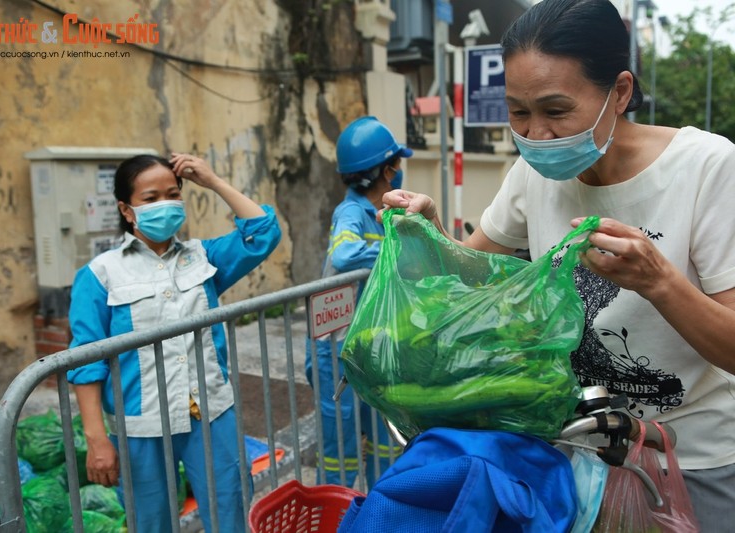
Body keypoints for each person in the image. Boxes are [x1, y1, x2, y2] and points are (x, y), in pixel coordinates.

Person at [381, 0, 735, 528]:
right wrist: (429, 232)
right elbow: (471, 277)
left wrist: (659, 282)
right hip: (577, 451)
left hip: (692, 458)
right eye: (518, 111)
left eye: (555, 110)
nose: (536, 134)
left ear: (618, 92)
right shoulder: (531, 176)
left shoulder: (707, 168)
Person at [67, 153, 281, 532]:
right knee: (151, 523)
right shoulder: (99, 275)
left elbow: (263, 232)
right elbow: (86, 362)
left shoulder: (204, 257)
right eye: (150, 198)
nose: (164, 204)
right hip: (141, 426)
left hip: (211, 413)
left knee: (230, 513)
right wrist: (97, 439)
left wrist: (212, 180)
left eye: (172, 194)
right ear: (126, 209)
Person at [306, 116, 409, 489]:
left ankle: (384, 505)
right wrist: (397, 246)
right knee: (341, 441)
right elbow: (347, 255)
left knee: (385, 431)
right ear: (386, 170)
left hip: (368, 341)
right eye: (396, 165)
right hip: (336, 347)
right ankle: (336, 511)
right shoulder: (350, 213)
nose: (399, 172)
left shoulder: (383, 212)